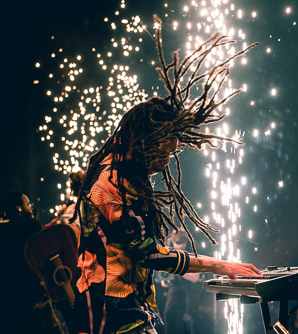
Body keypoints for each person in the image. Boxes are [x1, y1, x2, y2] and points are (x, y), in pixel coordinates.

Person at [68, 17, 260, 334]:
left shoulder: (111, 170)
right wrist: (220, 264)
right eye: (164, 152)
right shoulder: (116, 183)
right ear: (146, 143)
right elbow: (151, 254)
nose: (166, 162)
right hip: (116, 316)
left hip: (115, 310)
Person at [0, 192, 64, 334]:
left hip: (6, 305)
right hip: (34, 300)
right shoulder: (30, 225)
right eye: (28, 204)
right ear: (18, 208)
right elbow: (48, 258)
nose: (31, 208)